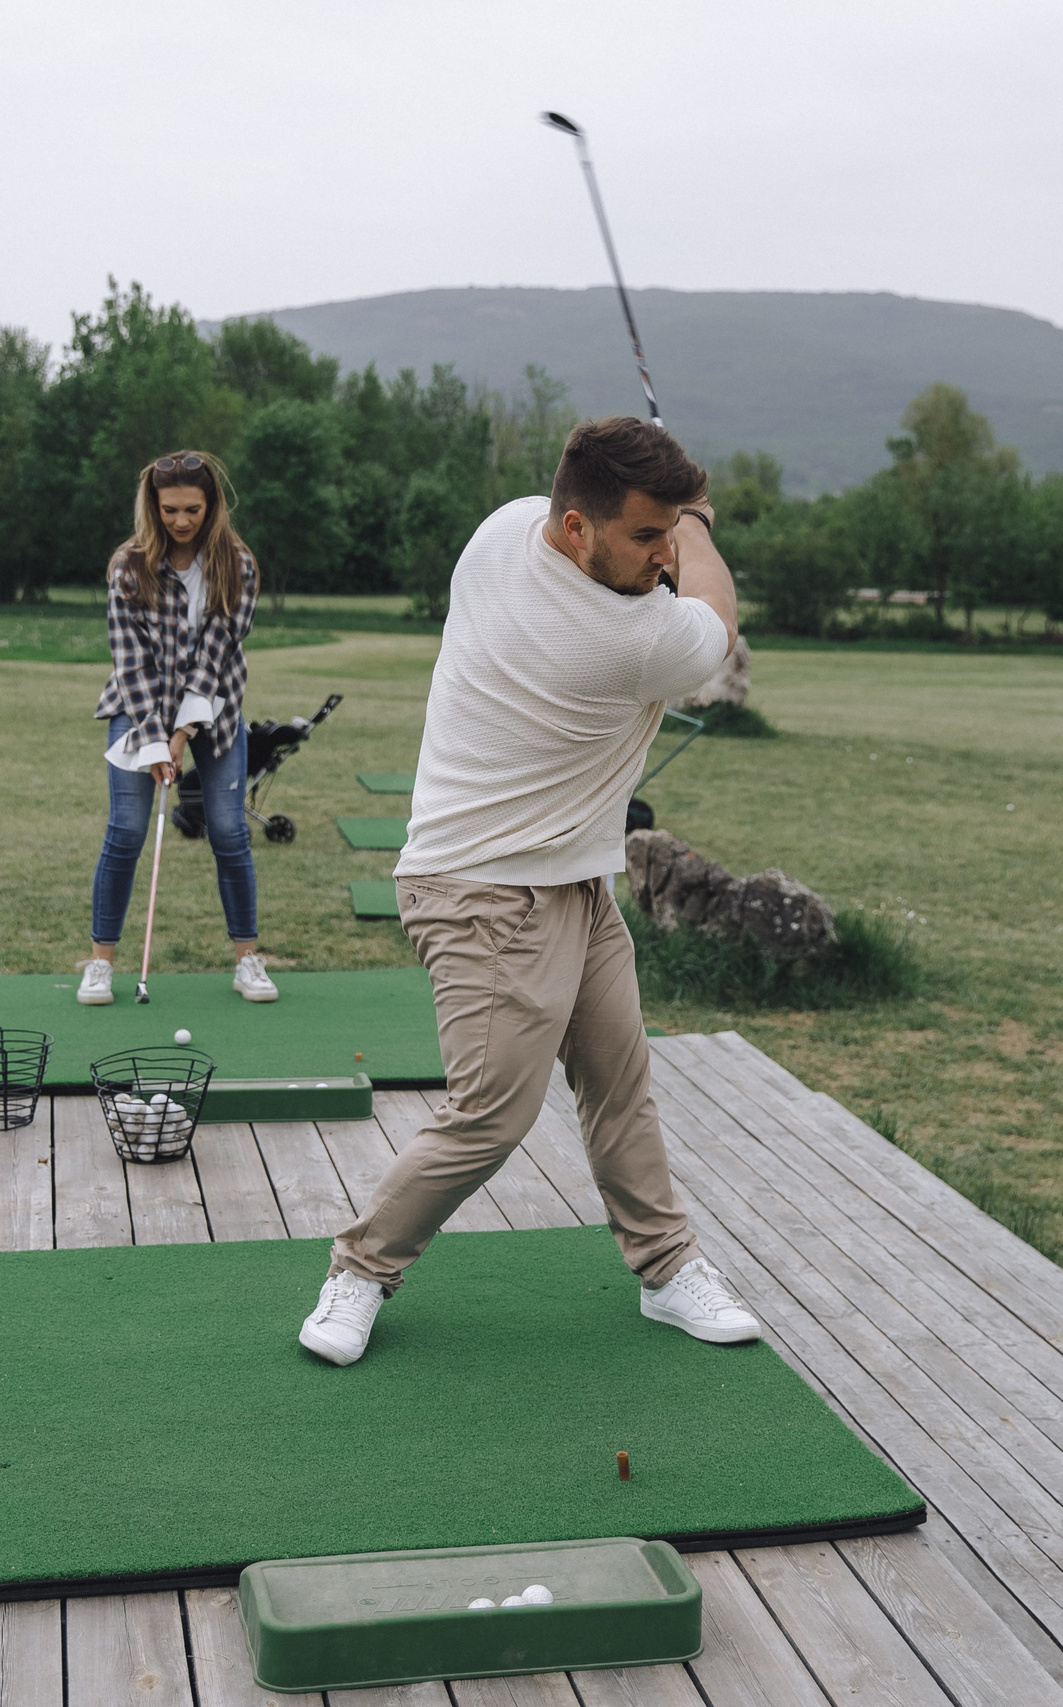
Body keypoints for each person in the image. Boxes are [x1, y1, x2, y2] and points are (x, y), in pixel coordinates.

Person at [298, 417, 763, 1365]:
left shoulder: (504, 526)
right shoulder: (622, 638)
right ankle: (359, 1267)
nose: (665, 551)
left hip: (570, 878)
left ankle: (667, 1269)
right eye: (647, 534)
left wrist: (659, 503)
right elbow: (716, 625)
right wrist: (706, 526)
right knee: (490, 1113)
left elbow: (630, 527)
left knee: (619, 1080)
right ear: (577, 527)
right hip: (482, 888)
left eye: (671, 530)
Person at [81, 451, 278, 1006]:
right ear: (154, 505)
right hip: (137, 706)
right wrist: (152, 739)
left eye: (193, 509)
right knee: (125, 832)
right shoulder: (129, 564)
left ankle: (248, 961)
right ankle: (100, 965)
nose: (182, 521)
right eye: (170, 510)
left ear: (212, 505)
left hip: (214, 709)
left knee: (229, 832)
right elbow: (130, 661)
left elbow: (217, 650)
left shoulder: (236, 563)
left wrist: (183, 733)